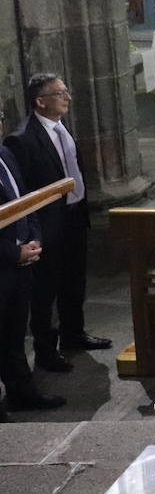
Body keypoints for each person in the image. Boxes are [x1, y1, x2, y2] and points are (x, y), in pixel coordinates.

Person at [5, 75, 109, 373]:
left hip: (74, 215)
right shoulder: (22, 138)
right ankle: (46, 351)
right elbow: (22, 192)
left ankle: (74, 333)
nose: (68, 97)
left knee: (74, 280)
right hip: (47, 225)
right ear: (40, 101)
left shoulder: (62, 127)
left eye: (66, 91)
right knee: (45, 289)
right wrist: (32, 232)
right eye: (60, 93)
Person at [0, 125, 64, 416]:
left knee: (15, 334)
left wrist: (33, 237)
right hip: (5, 262)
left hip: (21, 262)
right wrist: (15, 252)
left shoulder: (5, 154)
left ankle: (22, 393)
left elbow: (25, 201)